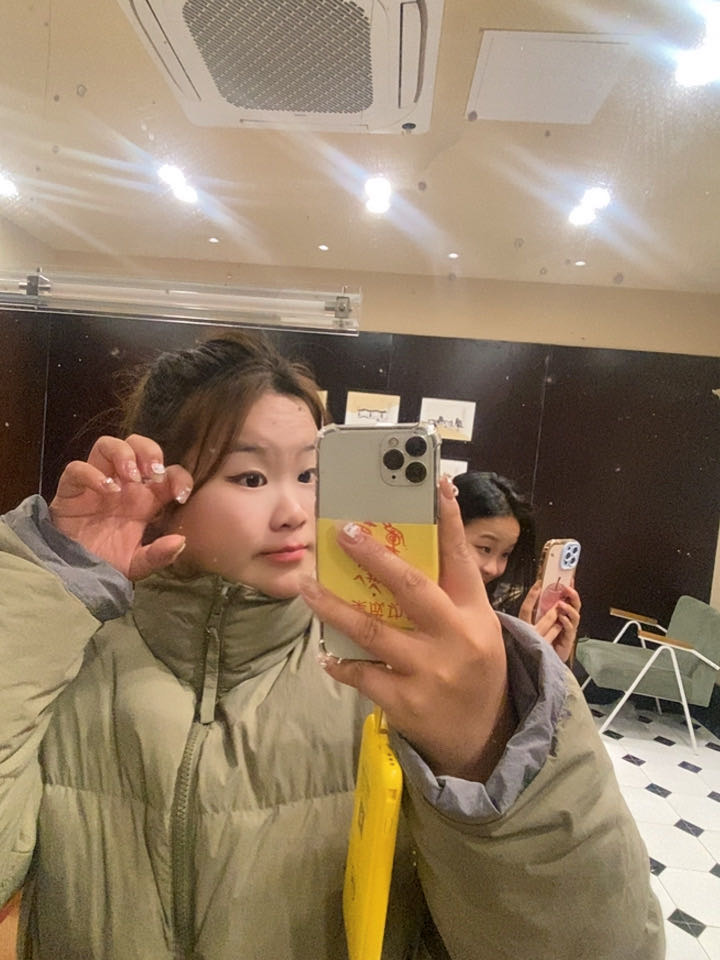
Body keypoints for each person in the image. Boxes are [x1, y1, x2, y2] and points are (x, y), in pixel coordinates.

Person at [0, 331, 662, 959]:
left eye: (312, 474)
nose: (295, 510)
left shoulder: (393, 677)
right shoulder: (69, 653)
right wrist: (47, 585)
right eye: (251, 477)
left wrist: (488, 747)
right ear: (164, 489)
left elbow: (595, 943)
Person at [455, 471, 582, 664]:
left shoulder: (500, 617)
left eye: (505, 554)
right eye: (485, 548)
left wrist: (552, 662)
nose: (494, 569)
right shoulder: (410, 608)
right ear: (445, 531)